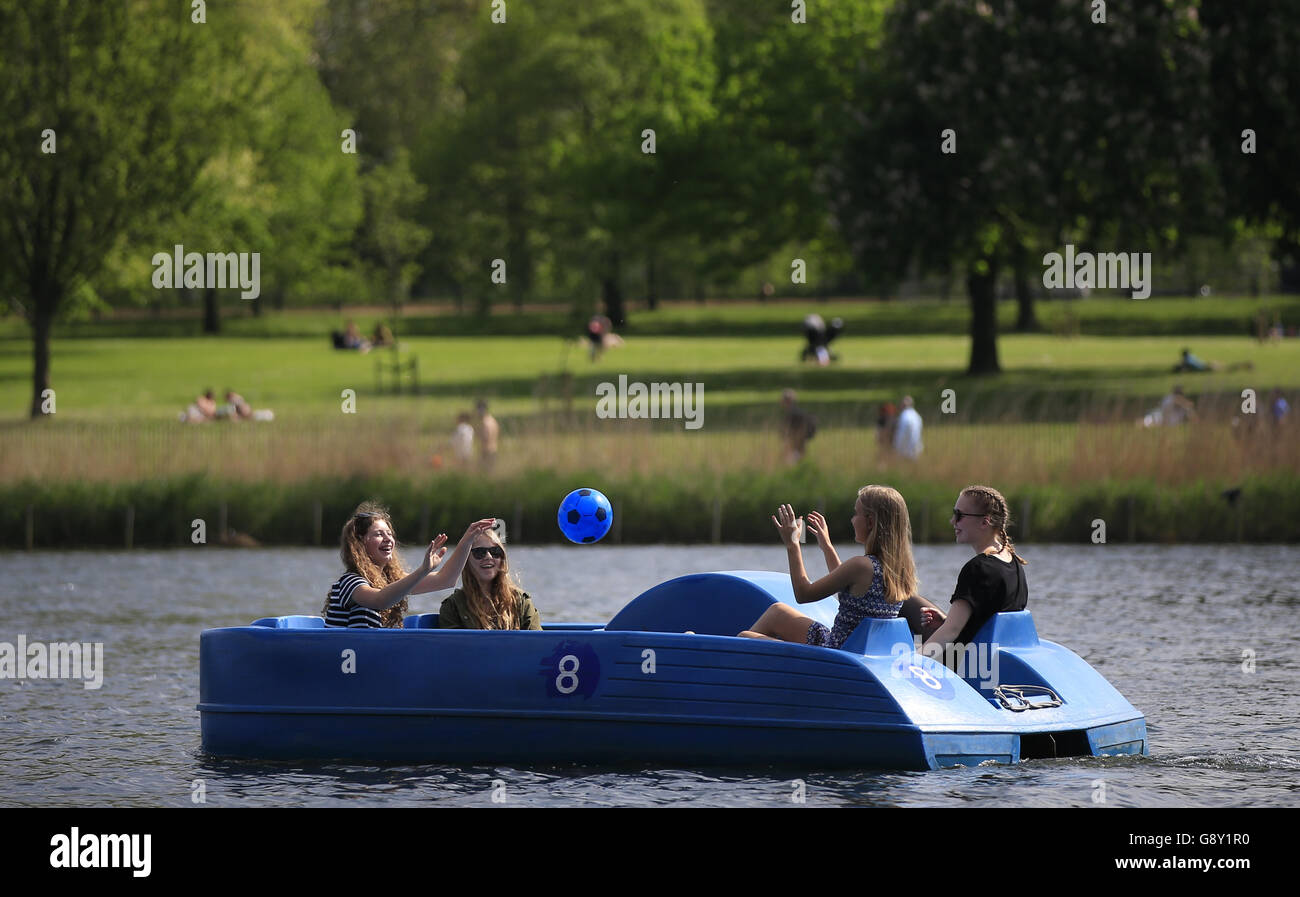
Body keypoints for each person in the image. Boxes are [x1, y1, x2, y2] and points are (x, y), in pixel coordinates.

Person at [738, 486, 917, 650]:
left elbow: (803, 594)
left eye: (856, 514)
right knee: (777, 611)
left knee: (744, 637)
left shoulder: (860, 565)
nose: (852, 519)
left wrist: (793, 545)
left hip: (835, 652)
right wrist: (827, 547)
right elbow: (848, 586)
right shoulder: (898, 569)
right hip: (855, 648)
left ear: (870, 522)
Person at [322, 504, 496, 628]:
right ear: (360, 543)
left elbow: (446, 580)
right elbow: (380, 600)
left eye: (389, 534)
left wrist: (467, 540)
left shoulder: (391, 581)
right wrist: (422, 571)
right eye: (378, 534)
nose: (388, 539)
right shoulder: (351, 581)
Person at [920, 485, 1028, 659]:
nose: (952, 521)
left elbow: (951, 632)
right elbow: (988, 623)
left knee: (907, 603)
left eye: (959, 515)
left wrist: (910, 665)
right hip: (992, 663)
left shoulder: (978, 568)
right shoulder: (1014, 562)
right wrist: (948, 620)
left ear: (985, 522)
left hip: (965, 667)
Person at [439, 527, 542, 630]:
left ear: (502, 559)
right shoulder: (452, 607)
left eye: (495, 551)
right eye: (479, 552)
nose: (488, 556)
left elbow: (537, 642)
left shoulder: (522, 602)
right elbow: (451, 644)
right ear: (465, 560)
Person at [780, 389, 816, 464]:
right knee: (800, 458)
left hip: (797, 441)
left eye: (782, 399)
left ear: (787, 400)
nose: (781, 401)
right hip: (800, 441)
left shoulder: (792, 413)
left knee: (792, 459)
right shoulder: (795, 411)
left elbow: (791, 430)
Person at [475, 399, 499, 470]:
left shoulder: (485, 423)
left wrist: (478, 434)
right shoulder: (493, 420)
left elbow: (486, 437)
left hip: (487, 453)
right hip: (494, 451)